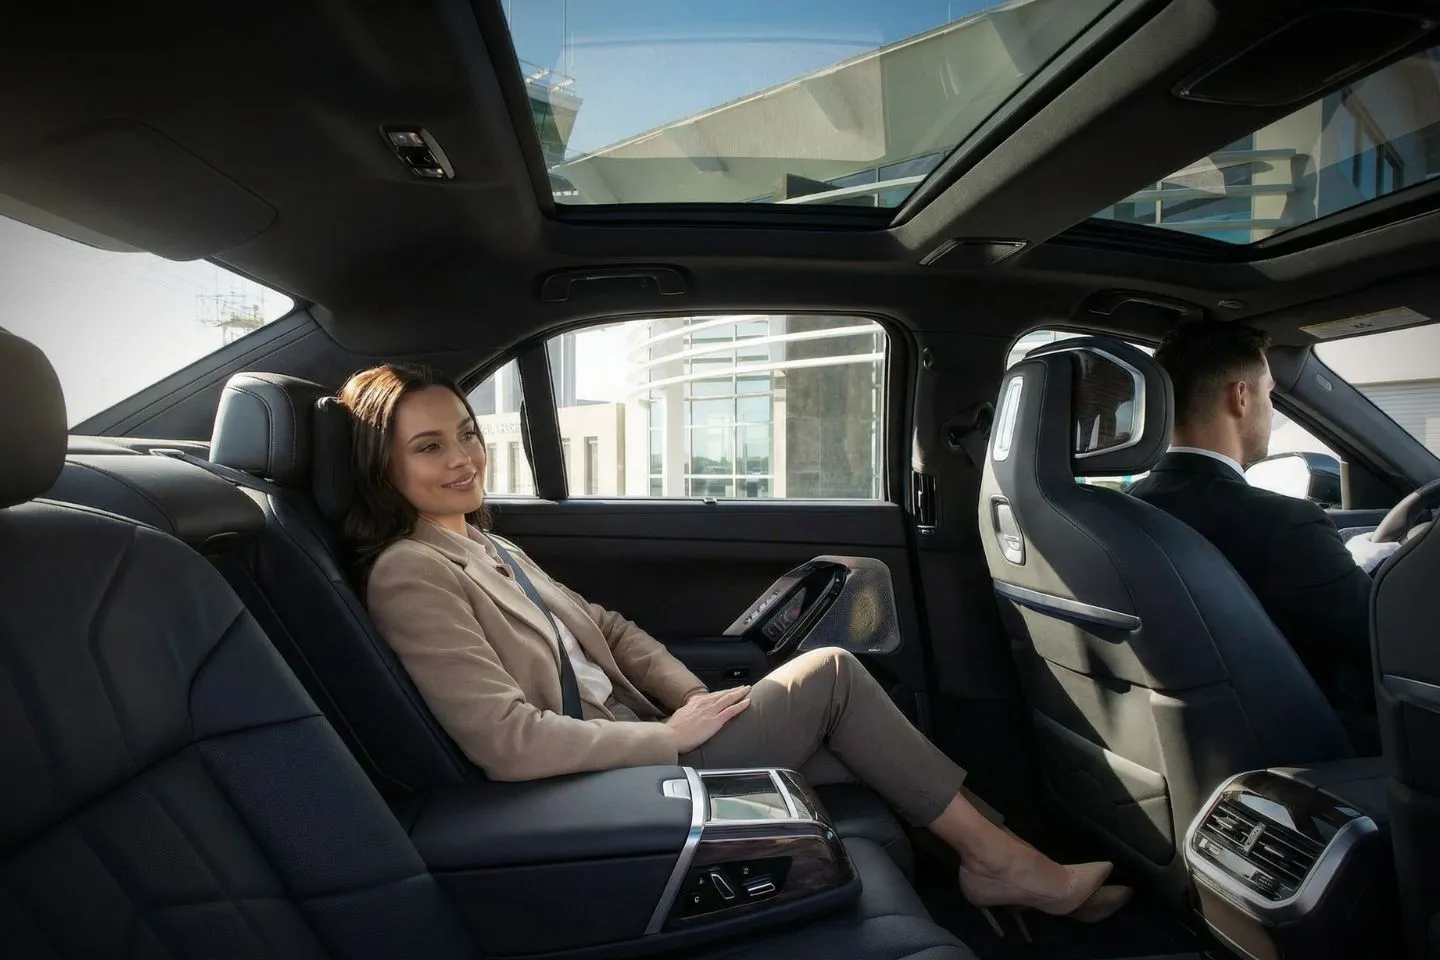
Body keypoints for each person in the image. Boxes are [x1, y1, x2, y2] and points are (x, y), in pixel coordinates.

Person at [335, 361, 1131, 934]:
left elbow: (610, 629)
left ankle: (1003, 875)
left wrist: (688, 696)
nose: (465, 457)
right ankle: (1010, 869)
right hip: (597, 786)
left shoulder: (483, 544)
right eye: (429, 447)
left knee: (871, 757)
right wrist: (669, 737)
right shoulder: (412, 573)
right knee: (834, 676)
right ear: (383, 465)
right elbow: (505, 743)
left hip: (647, 740)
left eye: (467, 434)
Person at [1127, 320, 1385, 747]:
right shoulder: (1286, 525)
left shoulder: (1131, 508)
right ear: (1241, 397)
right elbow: (1382, 638)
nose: (1272, 408)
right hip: (1318, 747)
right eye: (1269, 392)